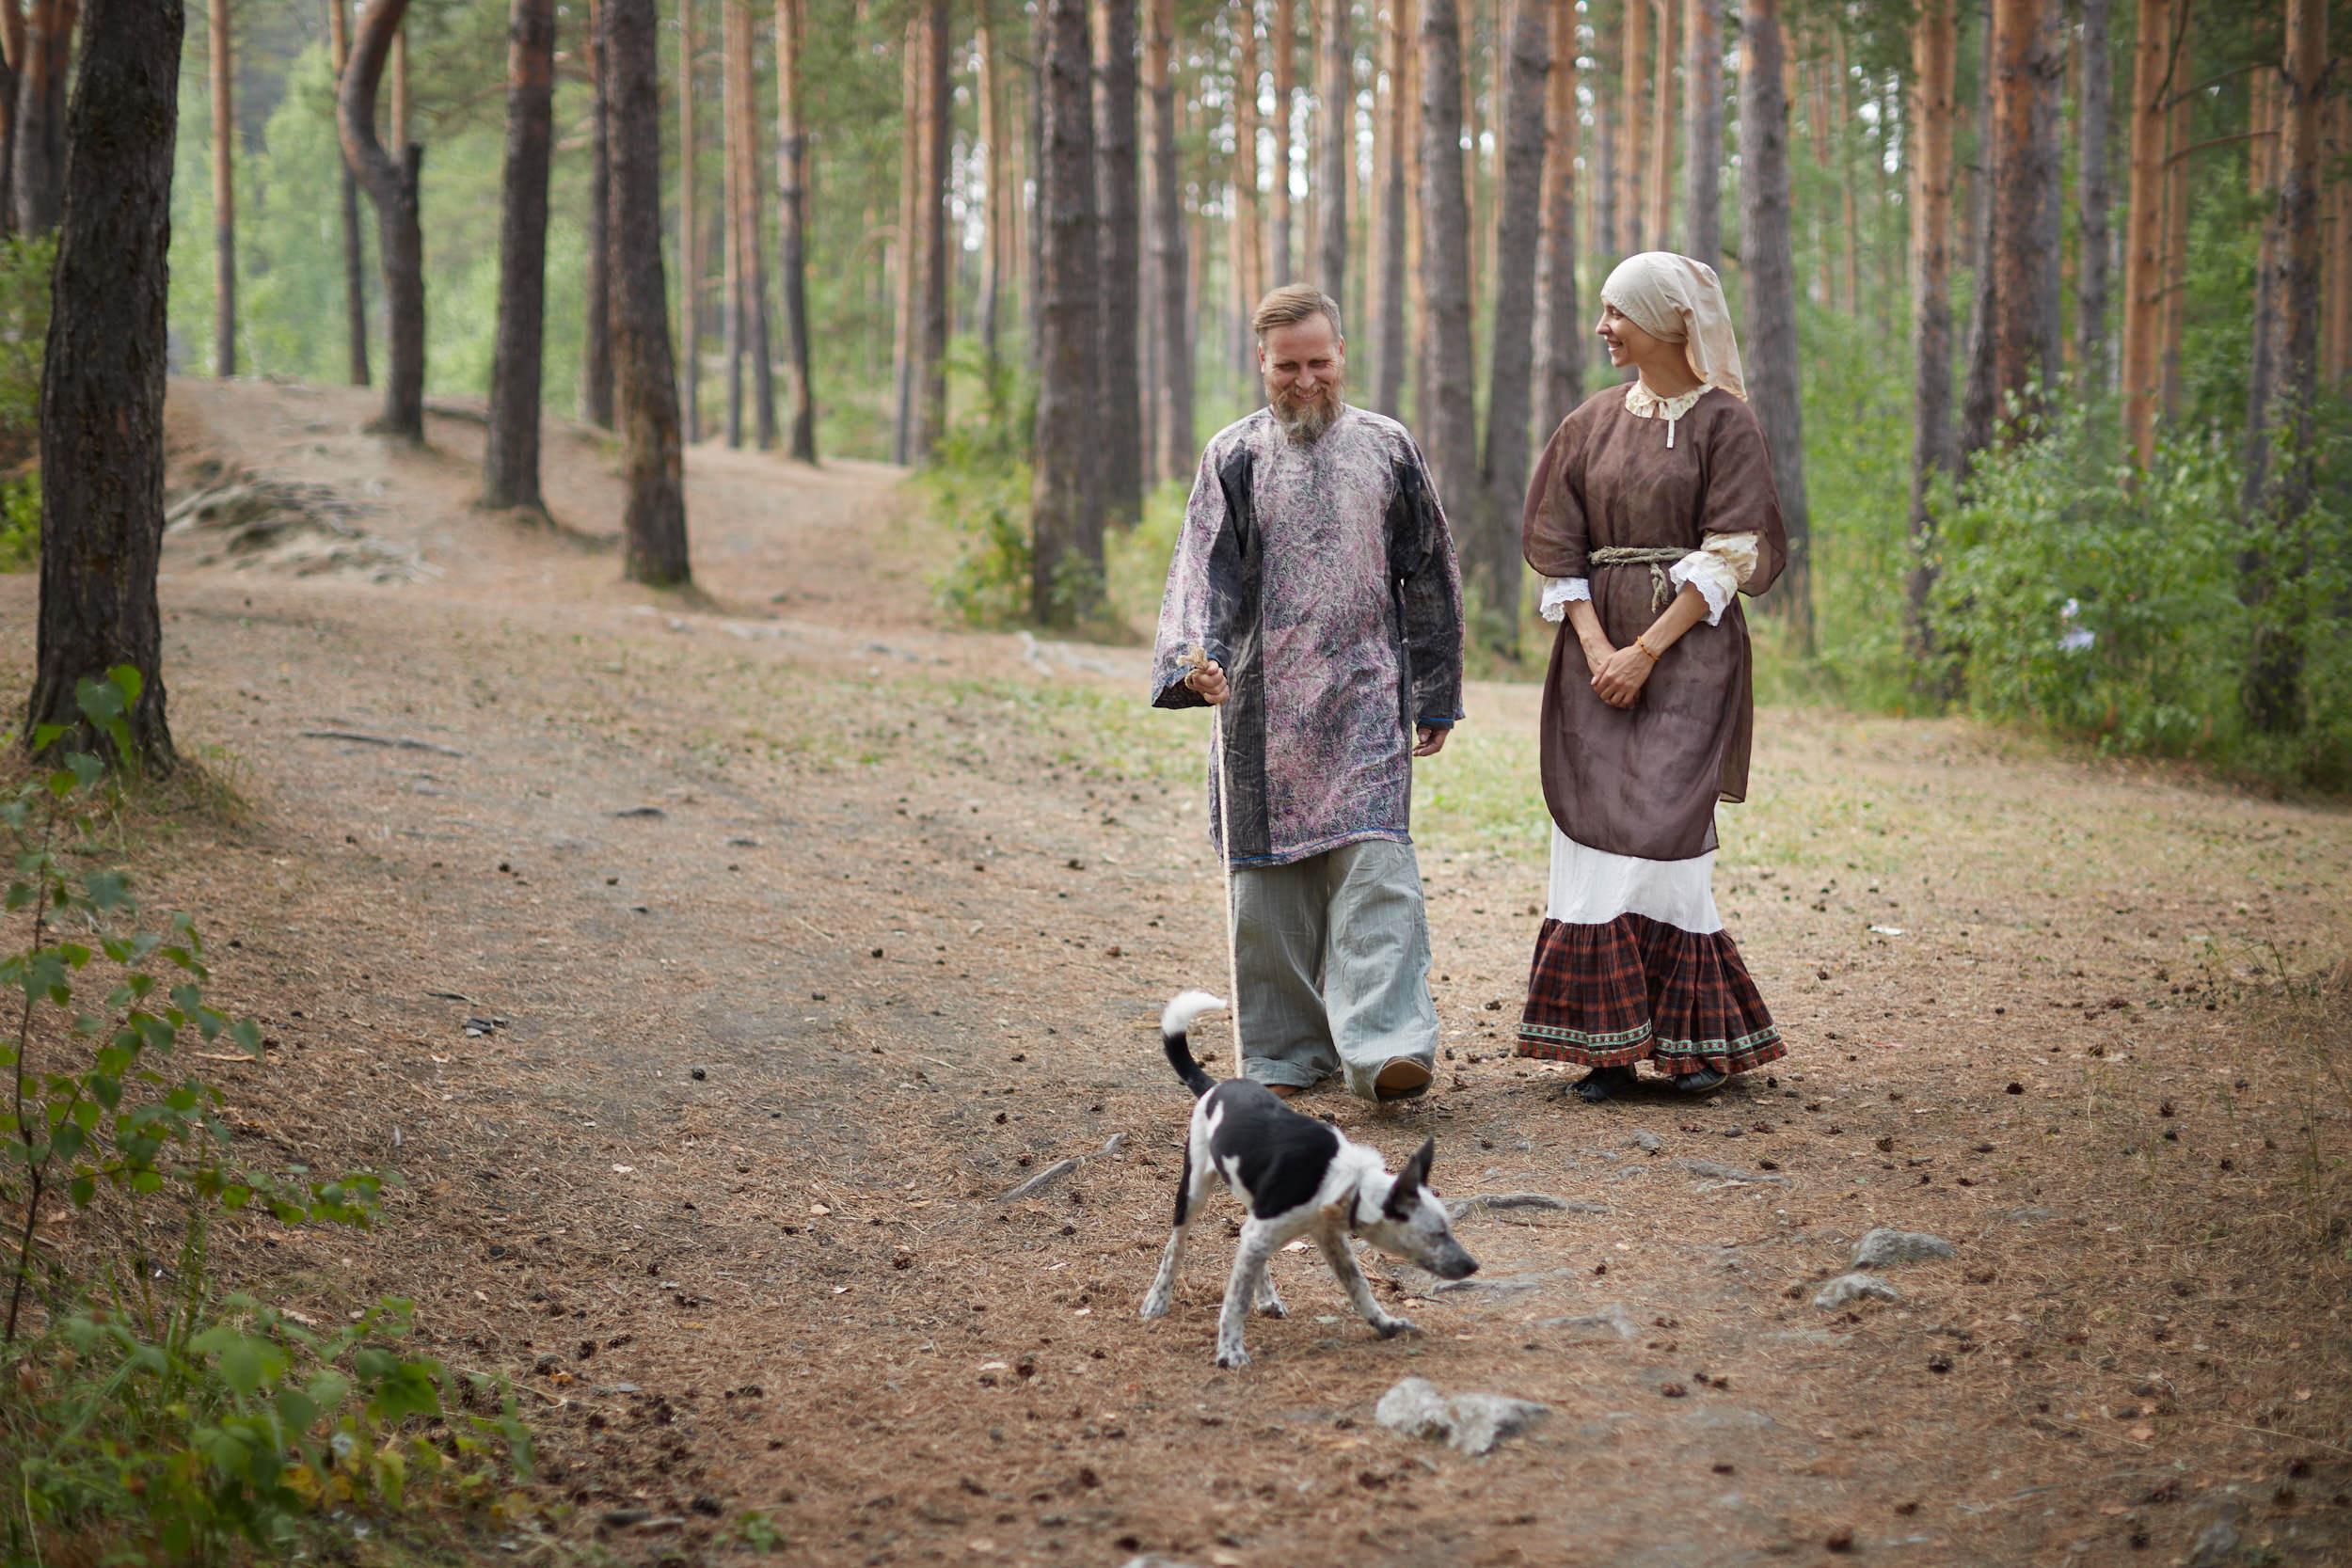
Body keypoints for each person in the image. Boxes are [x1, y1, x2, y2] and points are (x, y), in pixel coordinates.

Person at [1152, 284, 1465, 1104]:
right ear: (1261, 363)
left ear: (1342, 355)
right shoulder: (1234, 455)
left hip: (1366, 694)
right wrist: (1195, 660)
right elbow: (1201, 574)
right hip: (1259, 708)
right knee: (1268, 894)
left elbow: (1429, 569)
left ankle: (1388, 1048)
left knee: (1376, 868)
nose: (1304, 380)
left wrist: (1434, 688)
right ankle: (1289, 1051)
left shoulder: (1388, 448)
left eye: (1318, 362)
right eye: (1287, 366)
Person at [1513, 252, 1788, 1101]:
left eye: (1616, 312)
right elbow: (1557, 547)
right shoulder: (1589, 422)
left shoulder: (1725, 424)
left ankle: (1693, 1039)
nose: (1603, 328)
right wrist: (1600, 650)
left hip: (1690, 654)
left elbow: (1732, 551)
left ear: (1668, 322)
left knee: (1668, 838)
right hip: (1592, 661)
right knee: (1590, 834)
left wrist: (1647, 650)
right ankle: (1606, 1044)